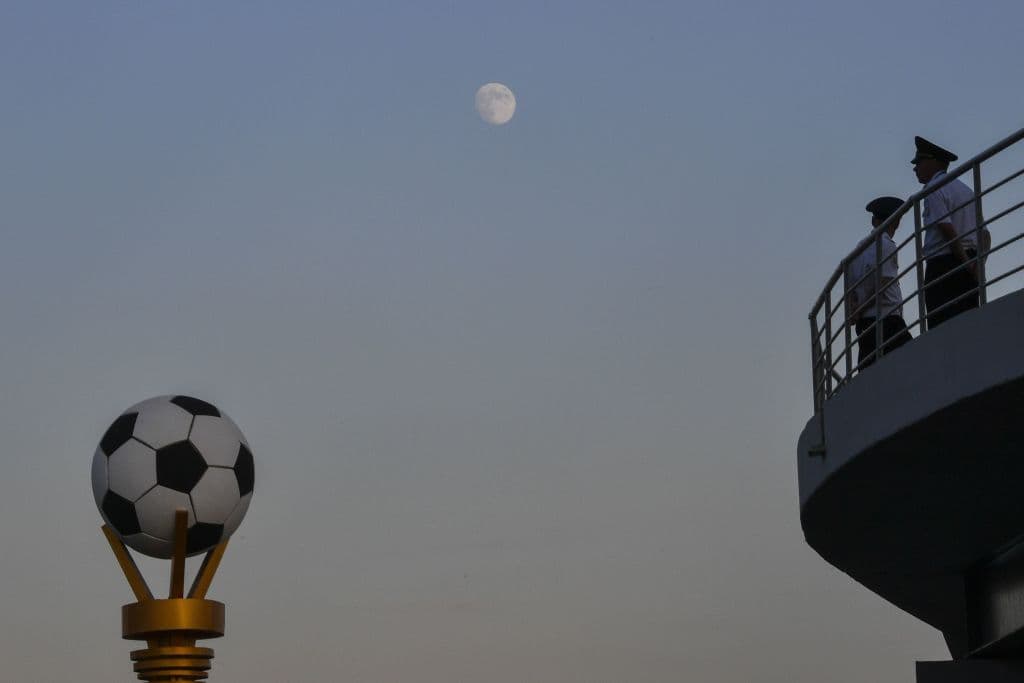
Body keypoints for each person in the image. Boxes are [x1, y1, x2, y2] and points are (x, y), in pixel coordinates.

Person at [912, 136, 984, 329]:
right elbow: (985, 234)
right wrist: (977, 266)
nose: (915, 168)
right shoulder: (966, 190)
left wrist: (966, 264)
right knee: (969, 327)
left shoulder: (933, 189)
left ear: (933, 162)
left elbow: (946, 229)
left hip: (944, 265)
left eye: (919, 162)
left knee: (941, 330)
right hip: (971, 262)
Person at [846, 196, 913, 369]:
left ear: (874, 221)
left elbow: (851, 292)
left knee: (869, 372)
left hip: (865, 323)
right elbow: (882, 285)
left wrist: (855, 311)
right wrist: (859, 310)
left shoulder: (858, 250)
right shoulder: (886, 245)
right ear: (896, 221)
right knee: (912, 362)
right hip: (887, 319)